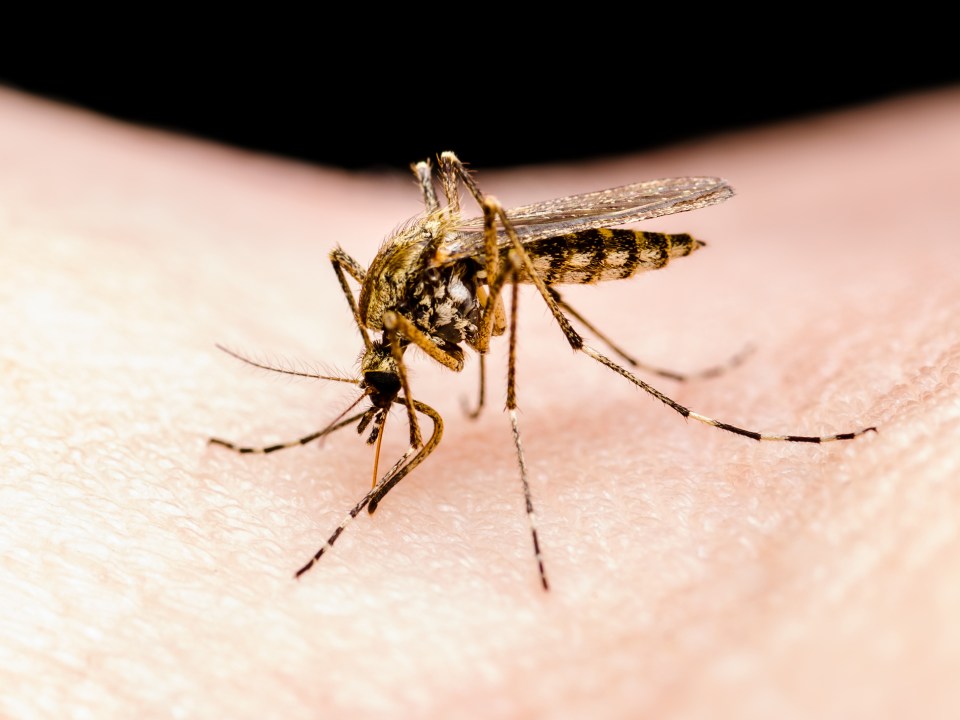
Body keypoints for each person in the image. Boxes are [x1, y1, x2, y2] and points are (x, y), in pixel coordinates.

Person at [3, 84, 958, 717]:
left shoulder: (407, 312)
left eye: (381, 379)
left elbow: (443, 252)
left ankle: (658, 398)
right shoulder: (383, 318)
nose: (383, 394)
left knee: (485, 237)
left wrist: (483, 387)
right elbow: (366, 276)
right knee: (435, 242)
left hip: (511, 253)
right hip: (459, 274)